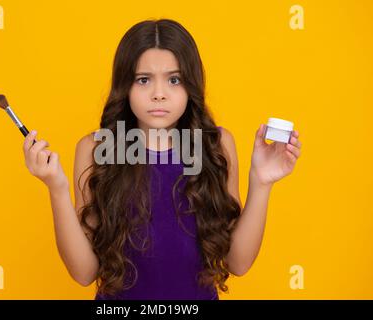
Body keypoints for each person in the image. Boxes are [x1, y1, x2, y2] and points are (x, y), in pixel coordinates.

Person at [22, 19, 302, 300]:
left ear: (190, 85)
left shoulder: (216, 145)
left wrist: (261, 182)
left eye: (174, 79)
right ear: (125, 86)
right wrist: (56, 188)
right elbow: (83, 273)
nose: (159, 93)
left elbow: (238, 263)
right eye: (143, 80)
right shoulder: (96, 149)